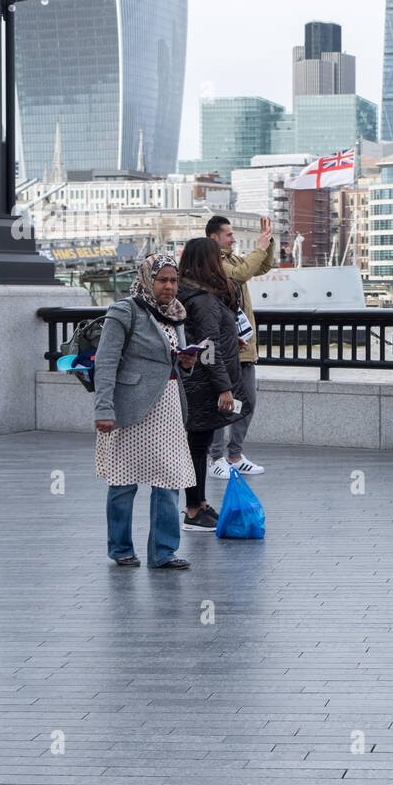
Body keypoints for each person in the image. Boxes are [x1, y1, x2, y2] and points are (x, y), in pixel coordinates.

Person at [92, 253, 197, 570]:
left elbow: (171, 362)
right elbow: (106, 362)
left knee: (169, 478)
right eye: (162, 279)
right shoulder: (126, 310)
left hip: (168, 408)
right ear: (148, 279)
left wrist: (186, 363)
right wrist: (104, 408)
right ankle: (121, 547)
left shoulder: (175, 314)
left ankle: (163, 551)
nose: (169, 286)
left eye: (174, 280)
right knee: (123, 480)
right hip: (131, 407)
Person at [178, 236, 251, 532]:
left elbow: (202, 339)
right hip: (204, 385)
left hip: (195, 381)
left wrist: (230, 338)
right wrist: (225, 388)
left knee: (199, 445)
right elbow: (208, 349)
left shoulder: (190, 294)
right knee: (198, 446)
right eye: (217, 257)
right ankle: (194, 510)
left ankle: (200, 504)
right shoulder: (205, 299)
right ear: (209, 261)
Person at [205, 214, 274, 478]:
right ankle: (216, 458)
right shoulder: (214, 263)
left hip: (244, 346)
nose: (233, 238)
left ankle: (235, 455)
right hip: (224, 345)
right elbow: (244, 273)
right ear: (215, 238)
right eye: (229, 235)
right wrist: (259, 247)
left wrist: (268, 243)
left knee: (248, 402)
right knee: (222, 403)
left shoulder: (232, 259)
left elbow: (262, 268)